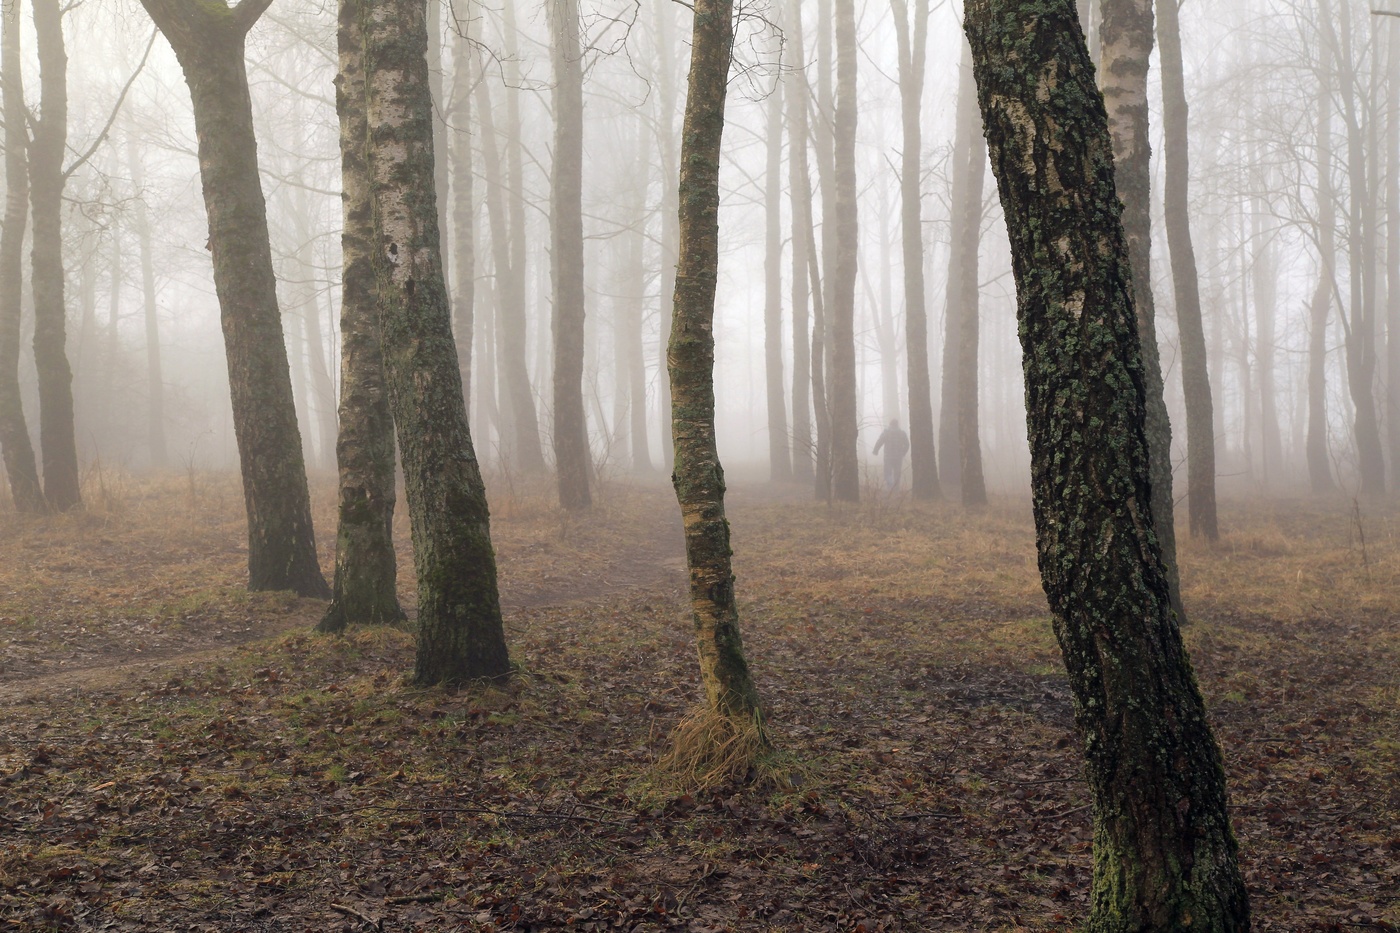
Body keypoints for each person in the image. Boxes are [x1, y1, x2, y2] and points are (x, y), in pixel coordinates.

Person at [872, 419, 910, 492]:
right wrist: (903, 453)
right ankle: (896, 489)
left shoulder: (886, 432)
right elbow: (907, 445)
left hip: (888, 457)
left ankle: (890, 487)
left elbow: (879, 441)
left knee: (887, 473)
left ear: (890, 424)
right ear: (897, 424)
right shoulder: (902, 433)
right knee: (897, 473)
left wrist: (875, 450)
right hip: (898, 457)